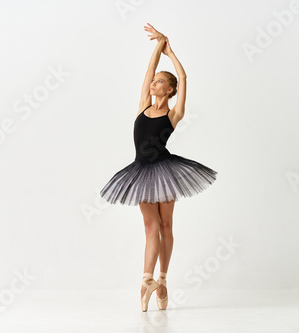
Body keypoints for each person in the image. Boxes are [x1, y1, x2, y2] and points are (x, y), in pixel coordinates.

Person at [99, 23, 218, 311]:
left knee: (166, 226)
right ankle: (146, 282)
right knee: (150, 227)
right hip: (140, 171)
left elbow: (185, 76)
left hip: (165, 171)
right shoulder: (143, 105)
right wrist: (158, 45)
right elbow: (147, 72)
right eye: (154, 82)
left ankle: (163, 281)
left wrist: (171, 52)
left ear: (170, 89)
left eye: (160, 81)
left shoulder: (174, 113)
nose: (154, 84)